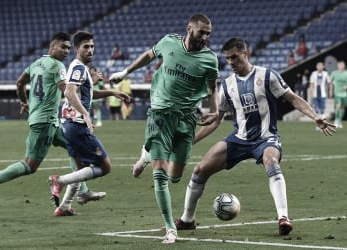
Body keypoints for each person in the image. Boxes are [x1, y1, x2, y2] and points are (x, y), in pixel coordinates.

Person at [165, 37, 335, 237]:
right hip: (239, 139)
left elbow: (293, 98)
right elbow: (217, 119)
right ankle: (187, 220)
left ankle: (283, 218)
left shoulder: (268, 76)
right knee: (200, 170)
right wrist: (190, 141)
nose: (231, 63)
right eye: (227, 59)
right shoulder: (227, 86)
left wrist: (315, 116)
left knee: (271, 161)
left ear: (246, 54)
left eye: (234, 58)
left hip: (266, 138)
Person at [109, 13, 219, 244]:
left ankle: (145, 155)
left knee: (175, 176)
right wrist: (125, 72)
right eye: (202, 32)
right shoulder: (169, 42)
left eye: (209, 33)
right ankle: (171, 227)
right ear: (189, 28)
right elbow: (149, 55)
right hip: (159, 113)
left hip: (187, 119)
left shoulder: (210, 59)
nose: (206, 37)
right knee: (160, 175)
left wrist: (215, 110)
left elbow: (212, 87)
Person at [0, 32, 99, 208]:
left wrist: (24, 102)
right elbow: (69, 92)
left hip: (47, 121)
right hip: (45, 123)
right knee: (29, 166)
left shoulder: (35, 64)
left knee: (75, 147)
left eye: (68, 48)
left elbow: (19, 83)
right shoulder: (57, 66)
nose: (66, 51)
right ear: (52, 47)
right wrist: (90, 82)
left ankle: (83, 190)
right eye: (63, 47)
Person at [48, 31, 132, 216]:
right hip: (77, 125)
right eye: (86, 47)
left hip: (69, 125)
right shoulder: (78, 68)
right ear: (77, 49)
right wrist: (86, 114)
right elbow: (69, 92)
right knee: (105, 167)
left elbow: (86, 94)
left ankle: (63, 207)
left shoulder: (80, 68)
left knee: (80, 170)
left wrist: (111, 93)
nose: (90, 50)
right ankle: (59, 181)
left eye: (92, 46)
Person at [330, 60, 347, 128]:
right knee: (338, 106)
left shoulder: (346, 73)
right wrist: (331, 91)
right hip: (337, 92)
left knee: (343, 107)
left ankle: (340, 121)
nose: (341, 66)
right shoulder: (334, 73)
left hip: (345, 93)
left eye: (342, 65)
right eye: (340, 65)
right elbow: (330, 82)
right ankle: (336, 120)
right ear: (338, 66)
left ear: (344, 66)